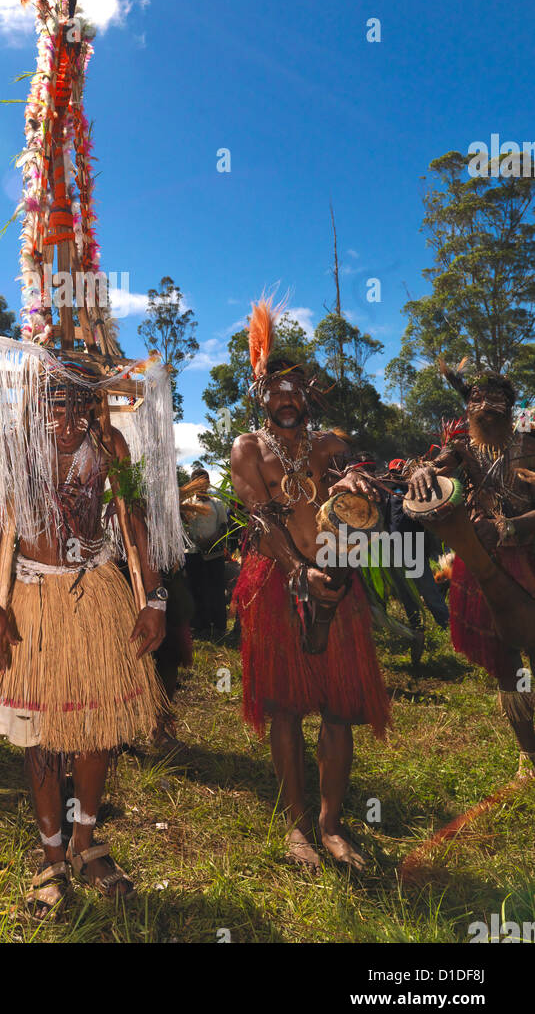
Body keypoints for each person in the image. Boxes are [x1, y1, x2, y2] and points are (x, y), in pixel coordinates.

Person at [0, 348, 177, 917]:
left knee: (95, 728)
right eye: (55, 410)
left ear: (94, 408)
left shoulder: (111, 449)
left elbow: (134, 526)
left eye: (80, 410)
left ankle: (86, 842)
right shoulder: (13, 449)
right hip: (34, 602)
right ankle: (50, 854)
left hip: (97, 596)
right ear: (36, 406)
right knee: (38, 732)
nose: (67, 424)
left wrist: (153, 598)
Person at [230, 300, 390, 870]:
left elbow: (364, 471)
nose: (286, 398)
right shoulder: (248, 449)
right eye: (276, 390)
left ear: (309, 395)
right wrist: (300, 574)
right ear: (261, 395)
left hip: (337, 582)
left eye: (296, 389)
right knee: (285, 709)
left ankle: (331, 822)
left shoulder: (327, 445)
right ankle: (297, 823)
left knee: (340, 708)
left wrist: (358, 476)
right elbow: (258, 517)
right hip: (278, 583)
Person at [406, 366, 535, 772]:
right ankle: (528, 757)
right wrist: (423, 470)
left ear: (510, 407)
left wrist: (509, 527)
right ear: (467, 406)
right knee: (505, 661)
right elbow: (438, 466)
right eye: (477, 399)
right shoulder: (460, 447)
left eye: (495, 400)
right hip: (482, 563)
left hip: (530, 555)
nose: (485, 407)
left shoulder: (529, 444)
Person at [181, 465, 229, 639]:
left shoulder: (217, 504)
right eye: (197, 482)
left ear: (208, 483)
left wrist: (212, 539)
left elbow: (224, 526)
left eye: (204, 481)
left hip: (214, 554)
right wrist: (196, 541)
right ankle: (199, 626)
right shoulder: (186, 504)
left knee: (216, 590)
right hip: (193, 553)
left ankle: (218, 626)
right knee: (196, 589)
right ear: (192, 484)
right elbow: (184, 526)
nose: (201, 485)